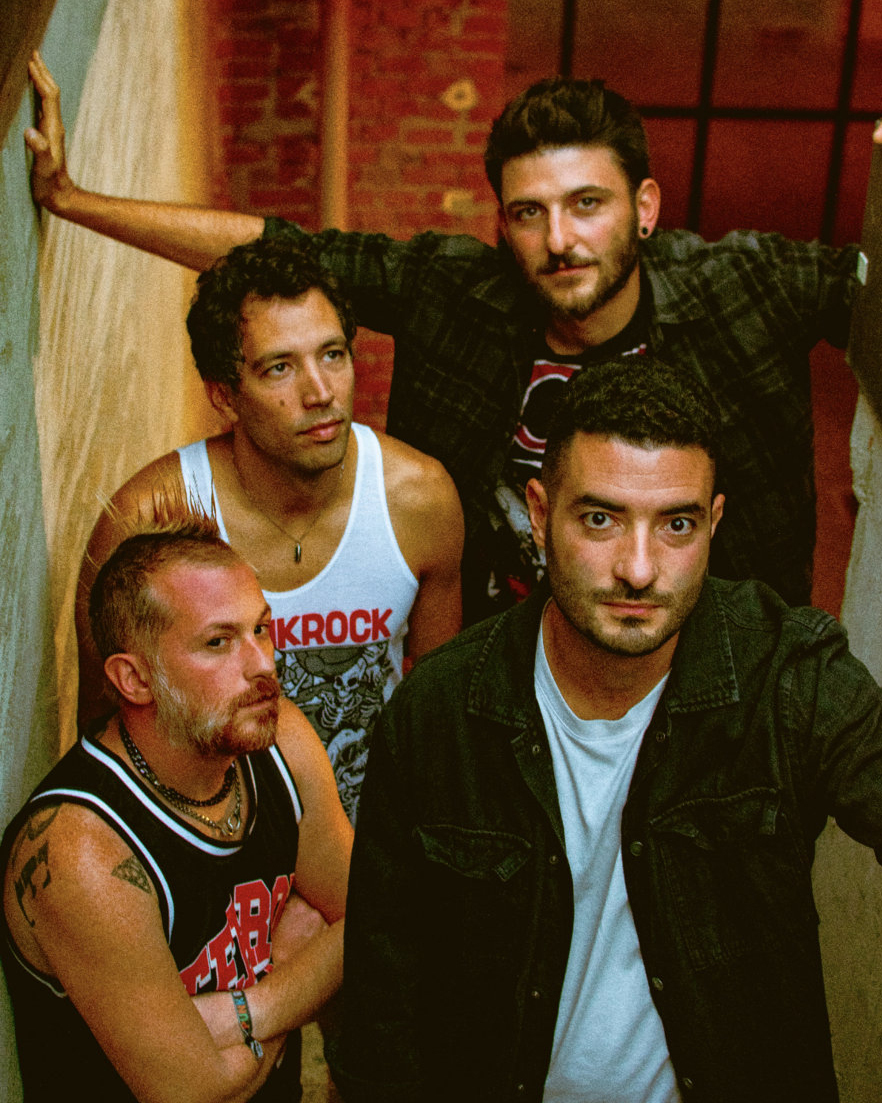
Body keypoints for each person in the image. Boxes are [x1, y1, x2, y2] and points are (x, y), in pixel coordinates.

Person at [24, 53, 879, 618]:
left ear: (645, 207)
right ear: (503, 225)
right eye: (529, 213)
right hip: (506, 665)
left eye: (587, 204)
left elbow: (865, 289)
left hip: (704, 674)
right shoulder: (461, 292)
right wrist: (72, 199)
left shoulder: (744, 287)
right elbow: (279, 248)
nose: (560, 240)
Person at [327, 358, 882, 1103]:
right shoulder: (440, 715)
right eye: (600, 519)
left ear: (714, 522)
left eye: (677, 524)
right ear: (539, 512)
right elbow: (381, 1018)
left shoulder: (785, 676)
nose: (639, 570)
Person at [75, 235, 464, 822]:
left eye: (333, 355)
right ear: (224, 396)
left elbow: (436, 720)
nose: (321, 392)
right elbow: (106, 739)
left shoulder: (419, 501)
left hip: (373, 836)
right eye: (280, 368)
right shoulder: (146, 523)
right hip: (213, 843)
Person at [0, 519, 353, 1102]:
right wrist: (290, 968)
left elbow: (370, 915)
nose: (263, 665)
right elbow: (196, 1095)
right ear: (135, 679)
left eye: (261, 629)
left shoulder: (279, 742)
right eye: (218, 642)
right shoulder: (81, 851)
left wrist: (246, 1011)